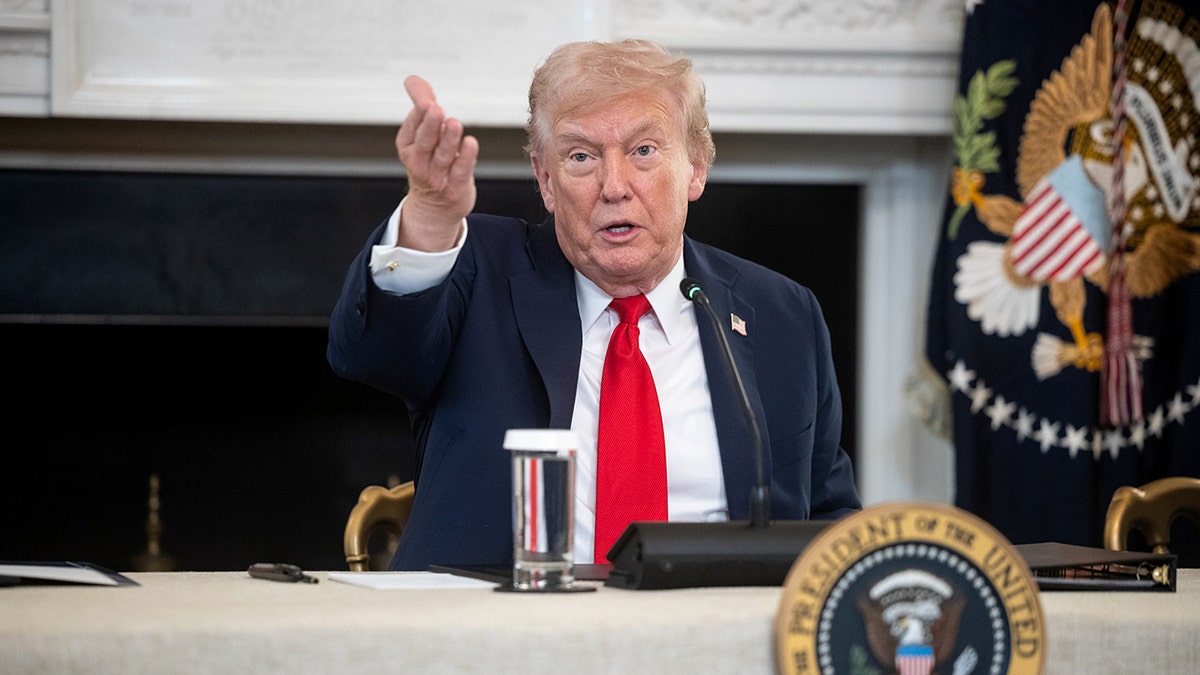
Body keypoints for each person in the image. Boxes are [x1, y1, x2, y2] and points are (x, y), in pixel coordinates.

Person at [327, 39, 861, 571]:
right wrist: (428, 217)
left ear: (696, 167)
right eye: (581, 156)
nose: (614, 187)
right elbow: (372, 356)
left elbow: (829, 516)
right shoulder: (477, 272)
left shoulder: (781, 314)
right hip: (502, 617)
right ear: (545, 180)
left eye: (643, 151)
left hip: (713, 617)